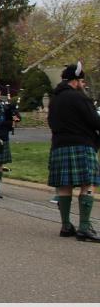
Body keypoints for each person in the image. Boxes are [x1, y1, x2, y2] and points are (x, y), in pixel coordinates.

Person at [47, 62, 100, 242]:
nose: (83, 84)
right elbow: (95, 121)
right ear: (75, 81)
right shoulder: (79, 97)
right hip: (81, 145)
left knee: (64, 186)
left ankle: (66, 226)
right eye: (82, 81)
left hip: (59, 146)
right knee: (88, 183)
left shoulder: (54, 100)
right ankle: (84, 227)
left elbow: (51, 123)